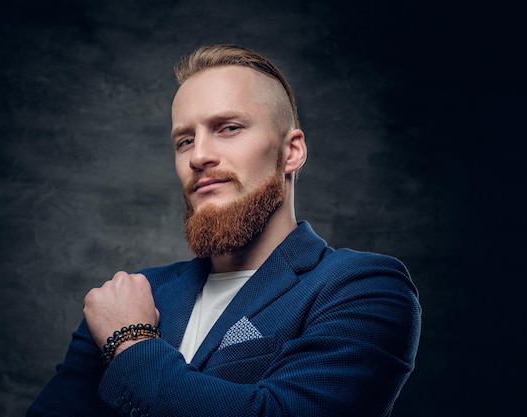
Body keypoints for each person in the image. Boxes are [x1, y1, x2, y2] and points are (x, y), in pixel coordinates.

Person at [26, 44, 421, 417]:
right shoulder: (131, 292)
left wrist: (131, 340)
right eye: (184, 140)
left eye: (228, 128)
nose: (198, 156)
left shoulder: (365, 287)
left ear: (292, 151)